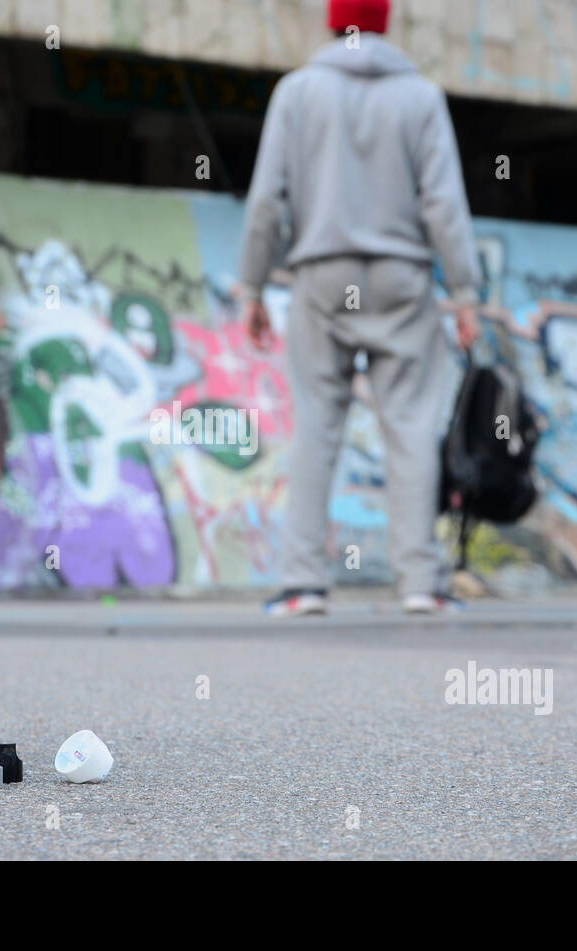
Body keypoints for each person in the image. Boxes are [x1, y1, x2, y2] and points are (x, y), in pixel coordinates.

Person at [237, 0, 482, 616]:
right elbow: (445, 204)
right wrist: (466, 292)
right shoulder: (421, 97)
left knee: (317, 424)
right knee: (410, 426)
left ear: (331, 20)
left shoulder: (296, 92)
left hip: (321, 275)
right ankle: (421, 584)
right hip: (402, 278)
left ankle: (302, 585)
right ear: (384, 22)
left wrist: (251, 285)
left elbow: (268, 199)